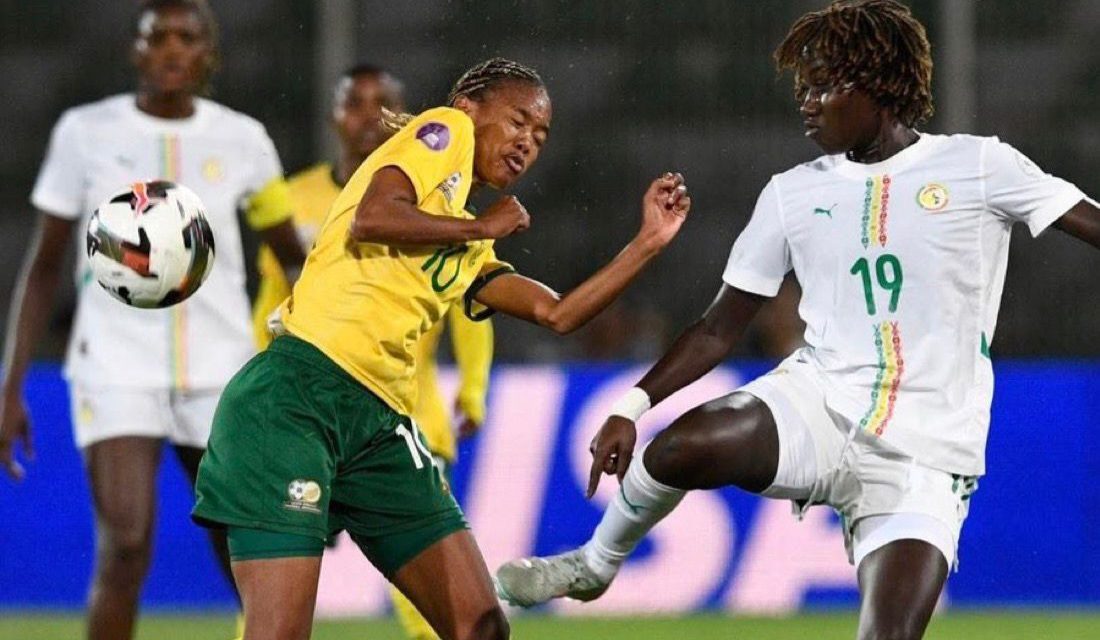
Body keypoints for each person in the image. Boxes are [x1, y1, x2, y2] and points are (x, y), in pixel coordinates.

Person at [493, 2, 1100, 639]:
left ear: (879, 84)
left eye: (824, 85)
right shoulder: (791, 192)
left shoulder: (980, 166)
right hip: (818, 406)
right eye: (802, 86)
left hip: (926, 451)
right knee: (681, 446)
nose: (806, 101)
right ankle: (594, 565)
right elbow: (718, 328)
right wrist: (632, 405)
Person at [190, 57, 690, 640]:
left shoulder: (462, 243)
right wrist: (482, 228)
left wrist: (647, 243)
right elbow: (373, 218)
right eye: (517, 122)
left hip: (379, 425)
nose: (528, 142)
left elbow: (558, 313)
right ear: (468, 108)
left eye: (541, 135)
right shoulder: (442, 133)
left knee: (481, 628)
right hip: (293, 399)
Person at [0, 2, 306, 639]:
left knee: (247, 546)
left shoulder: (244, 139)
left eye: (186, 38)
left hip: (223, 372)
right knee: (127, 543)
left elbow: (292, 260)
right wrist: (10, 386)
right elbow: (44, 264)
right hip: (115, 367)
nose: (172, 49)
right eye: (157, 38)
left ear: (208, 53)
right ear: (136, 52)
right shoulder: (85, 132)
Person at [251, 63, 495, 640]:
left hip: (406, 413)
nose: (366, 116)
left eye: (380, 102)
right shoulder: (294, 197)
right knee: (273, 595)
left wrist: (474, 387)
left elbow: (474, 305)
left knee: (428, 608)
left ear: (402, 115)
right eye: (353, 103)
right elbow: (271, 298)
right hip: (305, 412)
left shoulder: (442, 202)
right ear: (334, 115)